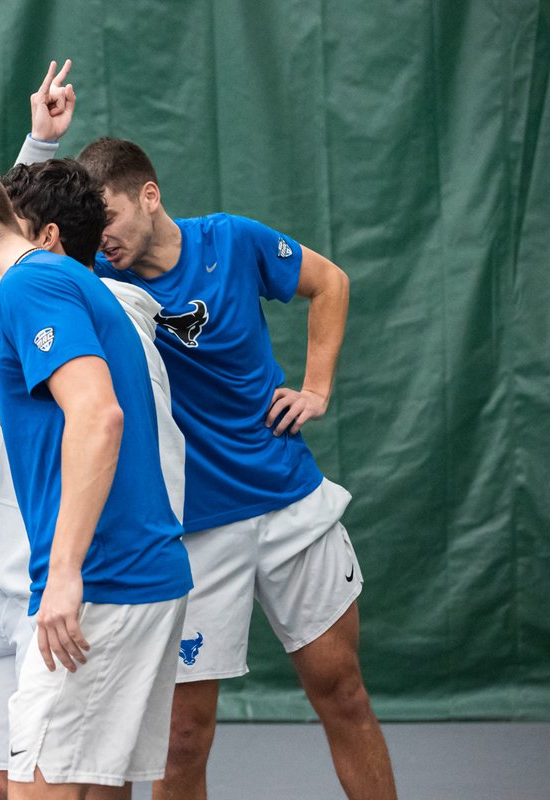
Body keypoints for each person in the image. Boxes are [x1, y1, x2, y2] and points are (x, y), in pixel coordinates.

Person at [77, 137, 396, 800]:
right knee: (182, 739)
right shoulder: (98, 281)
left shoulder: (233, 240)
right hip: (190, 530)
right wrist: (41, 139)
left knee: (343, 691)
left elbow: (329, 282)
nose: (100, 237)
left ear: (150, 195)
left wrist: (316, 386)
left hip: (287, 504)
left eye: (107, 218)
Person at [0, 163, 193, 799]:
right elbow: (50, 431)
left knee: (37, 789)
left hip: (100, 582)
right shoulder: (53, 283)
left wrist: (64, 572)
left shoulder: (33, 285)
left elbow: (98, 414)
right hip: (128, 576)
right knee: (94, 788)